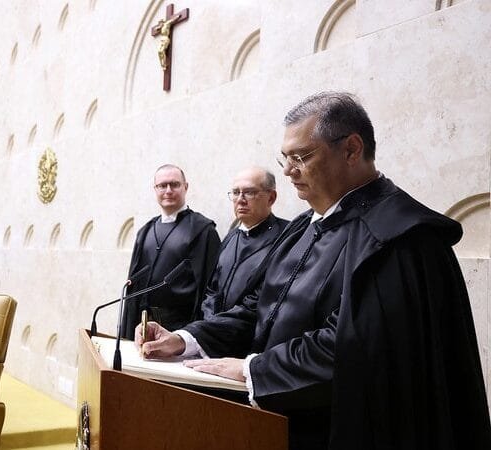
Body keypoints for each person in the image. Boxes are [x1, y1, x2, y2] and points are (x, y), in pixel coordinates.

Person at [136, 92, 491, 449]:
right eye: (286, 158)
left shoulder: (398, 239)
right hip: (279, 422)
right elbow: (260, 309)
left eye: (301, 157)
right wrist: (187, 339)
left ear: (352, 149)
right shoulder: (303, 226)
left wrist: (254, 370)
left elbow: (353, 348)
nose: (289, 171)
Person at [122, 164, 220, 339]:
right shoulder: (145, 231)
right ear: (155, 189)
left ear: (185, 187)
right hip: (142, 326)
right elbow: (133, 286)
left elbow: (210, 289)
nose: (168, 190)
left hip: (182, 330)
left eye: (174, 185)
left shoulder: (202, 230)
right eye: (162, 185)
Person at [199, 168, 288, 319]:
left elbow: (267, 299)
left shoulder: (287, 236)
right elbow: (212, 289)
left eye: (250, 192)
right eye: (235, 192)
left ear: (271, 198)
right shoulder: (231, 236)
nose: (240, 199)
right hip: (214, 333)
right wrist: (209, 321)